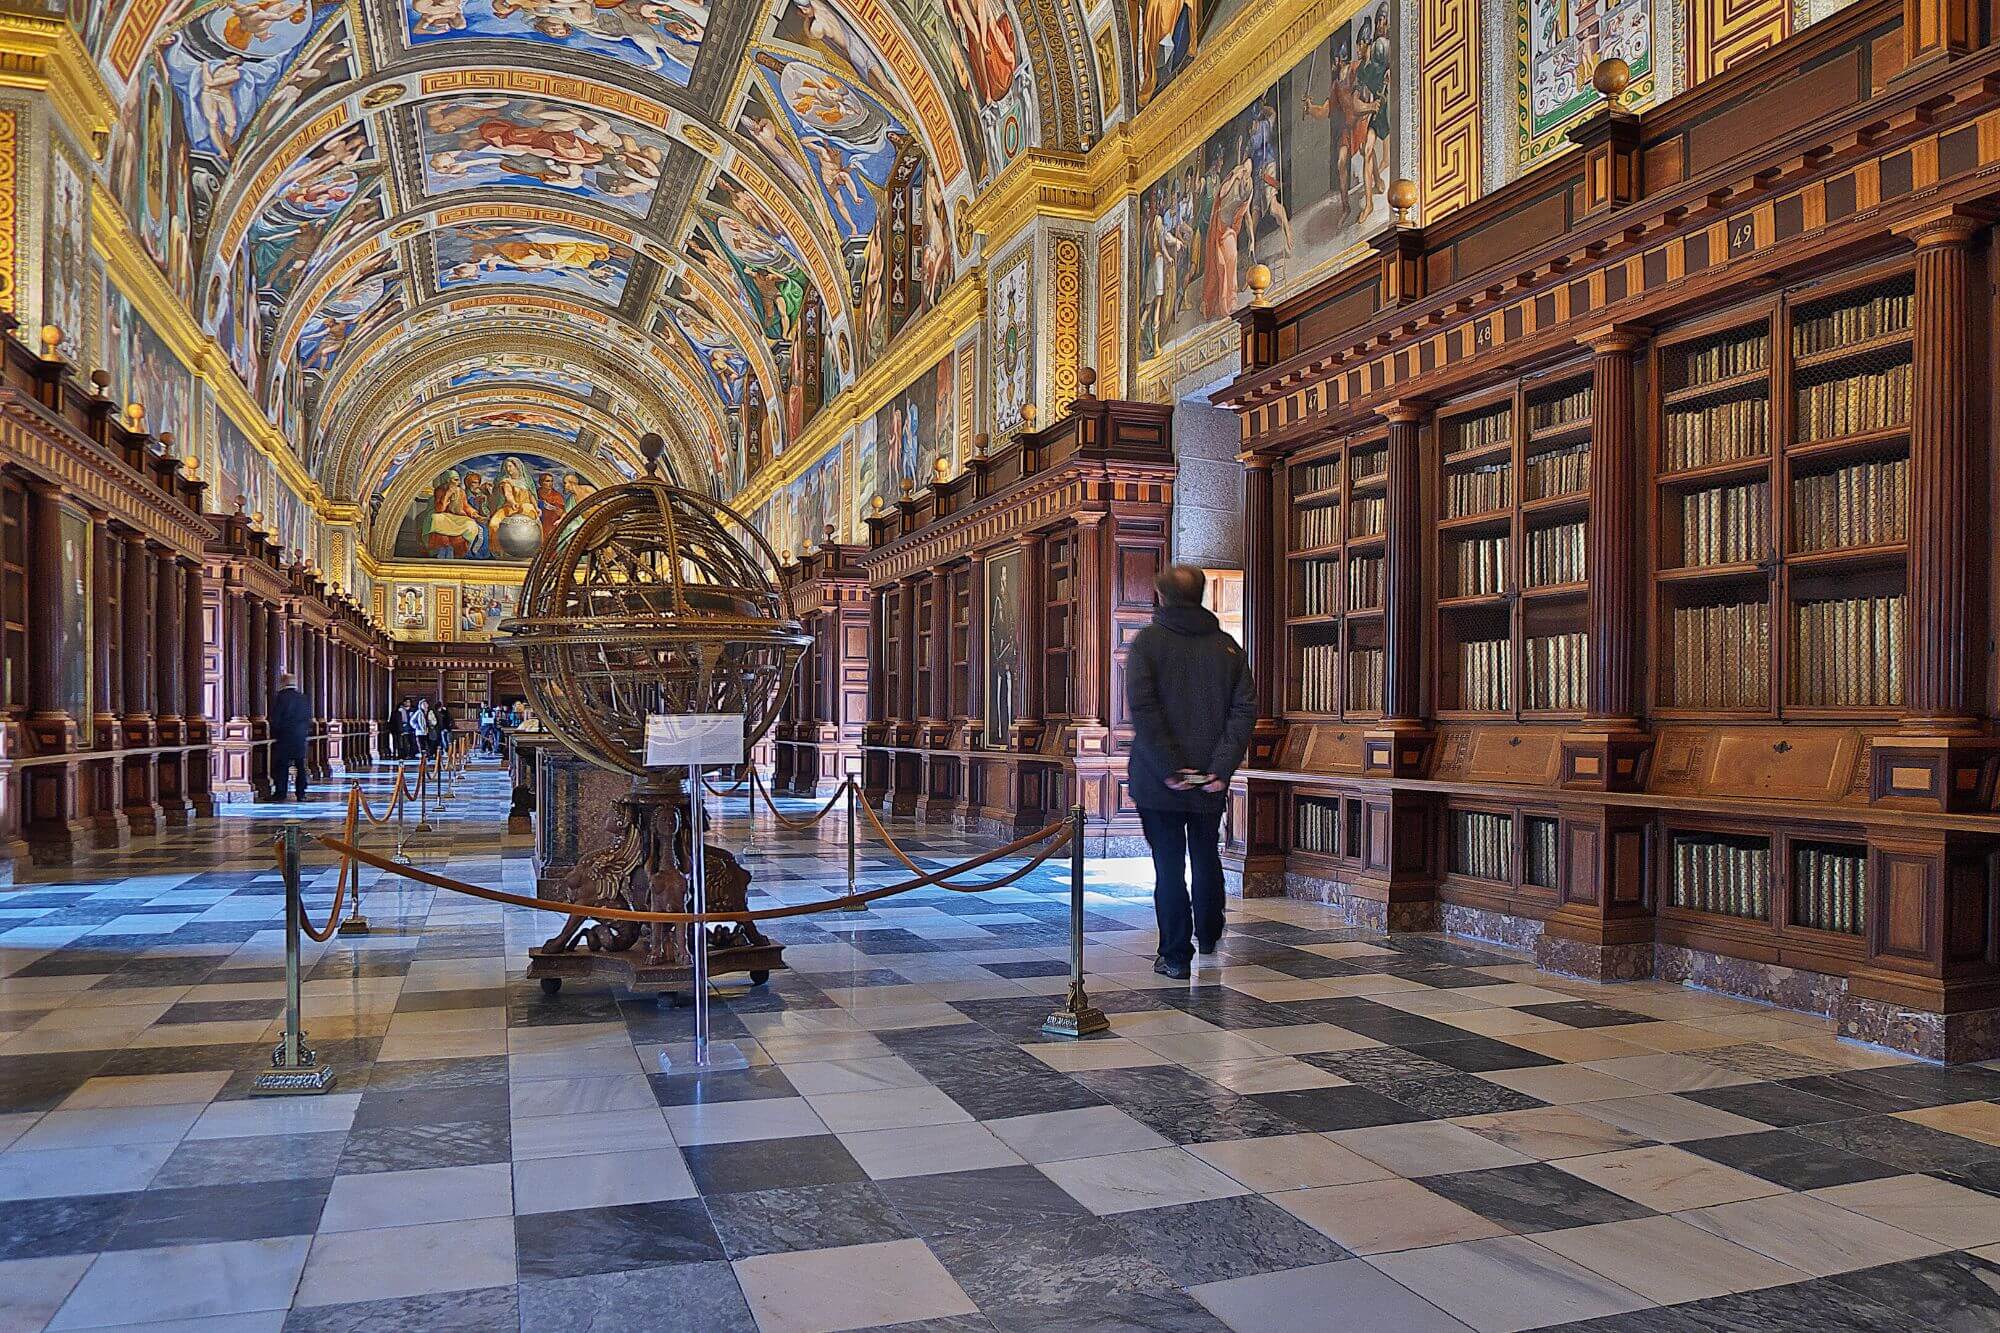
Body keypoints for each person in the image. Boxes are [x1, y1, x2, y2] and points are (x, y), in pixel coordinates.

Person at [1125, 564, 1254, 979]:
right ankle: (1210, 932)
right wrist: (1220, 769)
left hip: (1157, 780)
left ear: (1161, 596)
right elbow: (1243, 712)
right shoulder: (1227, 647)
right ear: (1201, 595)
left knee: (1168, 864)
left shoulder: (1148, 643)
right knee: (1205, 853)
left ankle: (1176, 955)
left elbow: (1144, 710)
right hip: (1209, 780)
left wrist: (1169, 768)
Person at [270, 672, 313, 801]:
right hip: (300, 737)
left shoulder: (280, 697)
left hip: (284, 737)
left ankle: (281, 793)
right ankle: (301, 793)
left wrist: (275, 733)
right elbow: (308, 718)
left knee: (282, 766)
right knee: (300, 766)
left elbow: (276, 718)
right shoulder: (303, 698)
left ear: (283, 683)